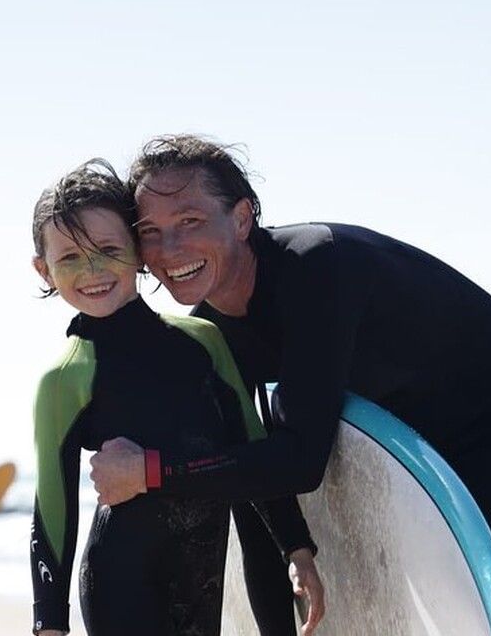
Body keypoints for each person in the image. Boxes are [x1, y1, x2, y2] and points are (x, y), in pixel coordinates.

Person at [89, 134, 491, 632]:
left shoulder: (315, 269)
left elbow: (298, 462)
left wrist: (150, 471)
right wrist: (292, 557)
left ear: (241, 218)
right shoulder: (212, 338)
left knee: (478, 625)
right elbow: (249, 485)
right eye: (150, 230)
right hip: (411, 442)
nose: (169, 248)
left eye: (189, 221)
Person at [28, 159, 323, 636]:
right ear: (44, 270)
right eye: (70, 259)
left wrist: (296, 546)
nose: (93, 271)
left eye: (108, 249)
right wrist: (49, 624)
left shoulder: (203, 341)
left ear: (138, 252)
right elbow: (54, 510)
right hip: (121, 590)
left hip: (200, 581)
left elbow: (252, 451)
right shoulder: (65, 379)